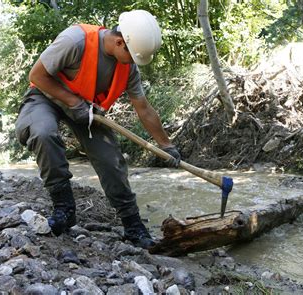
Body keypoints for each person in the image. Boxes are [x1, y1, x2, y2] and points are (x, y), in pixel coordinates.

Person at [14, 10, 181, 249]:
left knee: (110, 159)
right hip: (45, 97)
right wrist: (72, 101)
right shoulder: (75, 41)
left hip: (86, 110)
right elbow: (37, 75)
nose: (133, 62)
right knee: (43, 133)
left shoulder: (128, 67)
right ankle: (64, 208)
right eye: (132, 56)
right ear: (119, 41)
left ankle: (133, 225)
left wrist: (167, 145)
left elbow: (143, 108)